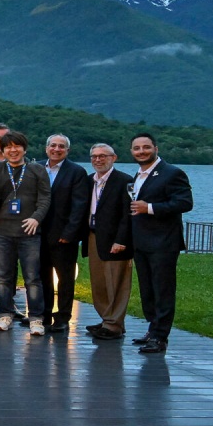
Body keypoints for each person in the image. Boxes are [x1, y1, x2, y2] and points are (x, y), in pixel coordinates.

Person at [127, 133, 194, 354]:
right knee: (147, 290)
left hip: (163, 242)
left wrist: (151, 207)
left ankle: (160, 337)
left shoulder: (172, 173)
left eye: (146, 147)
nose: (141, 151)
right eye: (137, 148)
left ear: (155, 148)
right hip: (141, 242)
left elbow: (184, 202)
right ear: (131, 152)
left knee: (163, 290)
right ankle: (152, 329)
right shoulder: (138, 175)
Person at [0, 130, 51, 335]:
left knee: (32, 277)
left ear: (24, 148)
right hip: (2, 231)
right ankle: (5, 314)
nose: (13, 150)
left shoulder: (37, 169)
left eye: (16, 146)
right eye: (8, 147)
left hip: (29, 231)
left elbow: (45, 198)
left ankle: (36, 318)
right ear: (2, 150)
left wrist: (36, 217)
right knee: (3, 276)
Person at [81, 144, 135, 342]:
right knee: (99, 283)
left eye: (103, 156)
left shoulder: (125, 181)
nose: (98, 160)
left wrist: (122, 240)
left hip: (115, 240)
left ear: (114, 158)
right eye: (94, 156)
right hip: (94, 237)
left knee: (116, 283)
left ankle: (114, 324)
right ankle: (107, 320)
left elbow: (128, 214)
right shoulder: (89, 181)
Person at [39, 134, 90, 332]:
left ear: (67, 151)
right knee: (41, 276)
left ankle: (62, 318)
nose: (57, 149)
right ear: (46, 148)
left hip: (63, 235)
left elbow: (80, 206)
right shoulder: (37, 167)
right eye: (53, 145)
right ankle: (43, 314)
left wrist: (70, 233)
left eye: (61, 146)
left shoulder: (76, 172)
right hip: (38, 233)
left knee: (65, 278)